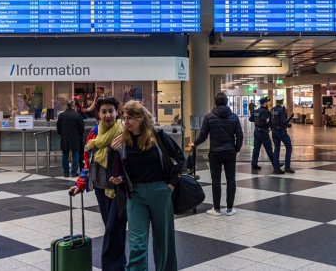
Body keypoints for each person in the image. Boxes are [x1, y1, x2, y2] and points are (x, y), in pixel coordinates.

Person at [111, 100, 184, 271]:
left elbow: (180, 158)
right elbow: (117, 168)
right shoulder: (122, 140)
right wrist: (113, 155)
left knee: (163, 242)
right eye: (124, 118)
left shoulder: (157, 135)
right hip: (135, 195)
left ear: (141, 118)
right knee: (137, 244)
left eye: (129, 118)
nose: (125, 122)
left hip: (160, 191)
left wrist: (172, 184)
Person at [69, 97, 126, 271]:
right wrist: (80, 184)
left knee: (112, 228)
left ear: (117, 113)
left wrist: (123, 178)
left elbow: (132, 162)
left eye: (111, 111)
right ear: (98, 114)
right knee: (114, 230)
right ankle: (120, 266)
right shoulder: (94, 134)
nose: (108, 115)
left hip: (120, 190)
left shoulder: (124, 132)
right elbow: (88, 162)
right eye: (104, 111)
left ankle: (110, 267)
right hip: (101, 189)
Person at [191, 92, 244, 216]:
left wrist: (194, 143)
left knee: (216, 180)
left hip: (215, 152)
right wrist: (236, 149)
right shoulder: (234, 117)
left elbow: (203, 136)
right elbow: (240, 136)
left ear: (215, 103)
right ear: (227, 102)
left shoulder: (209, 117)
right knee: (231, 180)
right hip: (230, 151)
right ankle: (230, 209)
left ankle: (216, 209)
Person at [251, 96, 283, 174]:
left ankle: (254, 164)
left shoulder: (256, 111)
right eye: (267, 102)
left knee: (256, 149)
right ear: (265, 103)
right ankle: (276, 165)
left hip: (256, 132)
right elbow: (265, 121)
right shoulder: (265, 112)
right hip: (263, 133)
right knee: (269, 150)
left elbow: (251, 119)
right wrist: (269, 122)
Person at [57, 100, 85, 177]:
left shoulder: (61, 115)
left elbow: (58, 128)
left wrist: (62, 134)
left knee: (65, 155)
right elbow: (81, 129)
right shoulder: (77, 115)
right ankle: (73, 172)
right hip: (76, 138)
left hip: (64, 138)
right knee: (75, 154)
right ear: (74, 106)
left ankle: (66, 172)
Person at [271, 94, 294, 174]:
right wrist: (288, 125)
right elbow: (283, 121)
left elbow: (271, 121)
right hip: (281, 132)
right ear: (282, 101)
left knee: (277, 148)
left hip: (274, 131)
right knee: (289, 147)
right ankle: (287, 167)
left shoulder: (272, 109)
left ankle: (276, 168)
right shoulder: (282, 110)